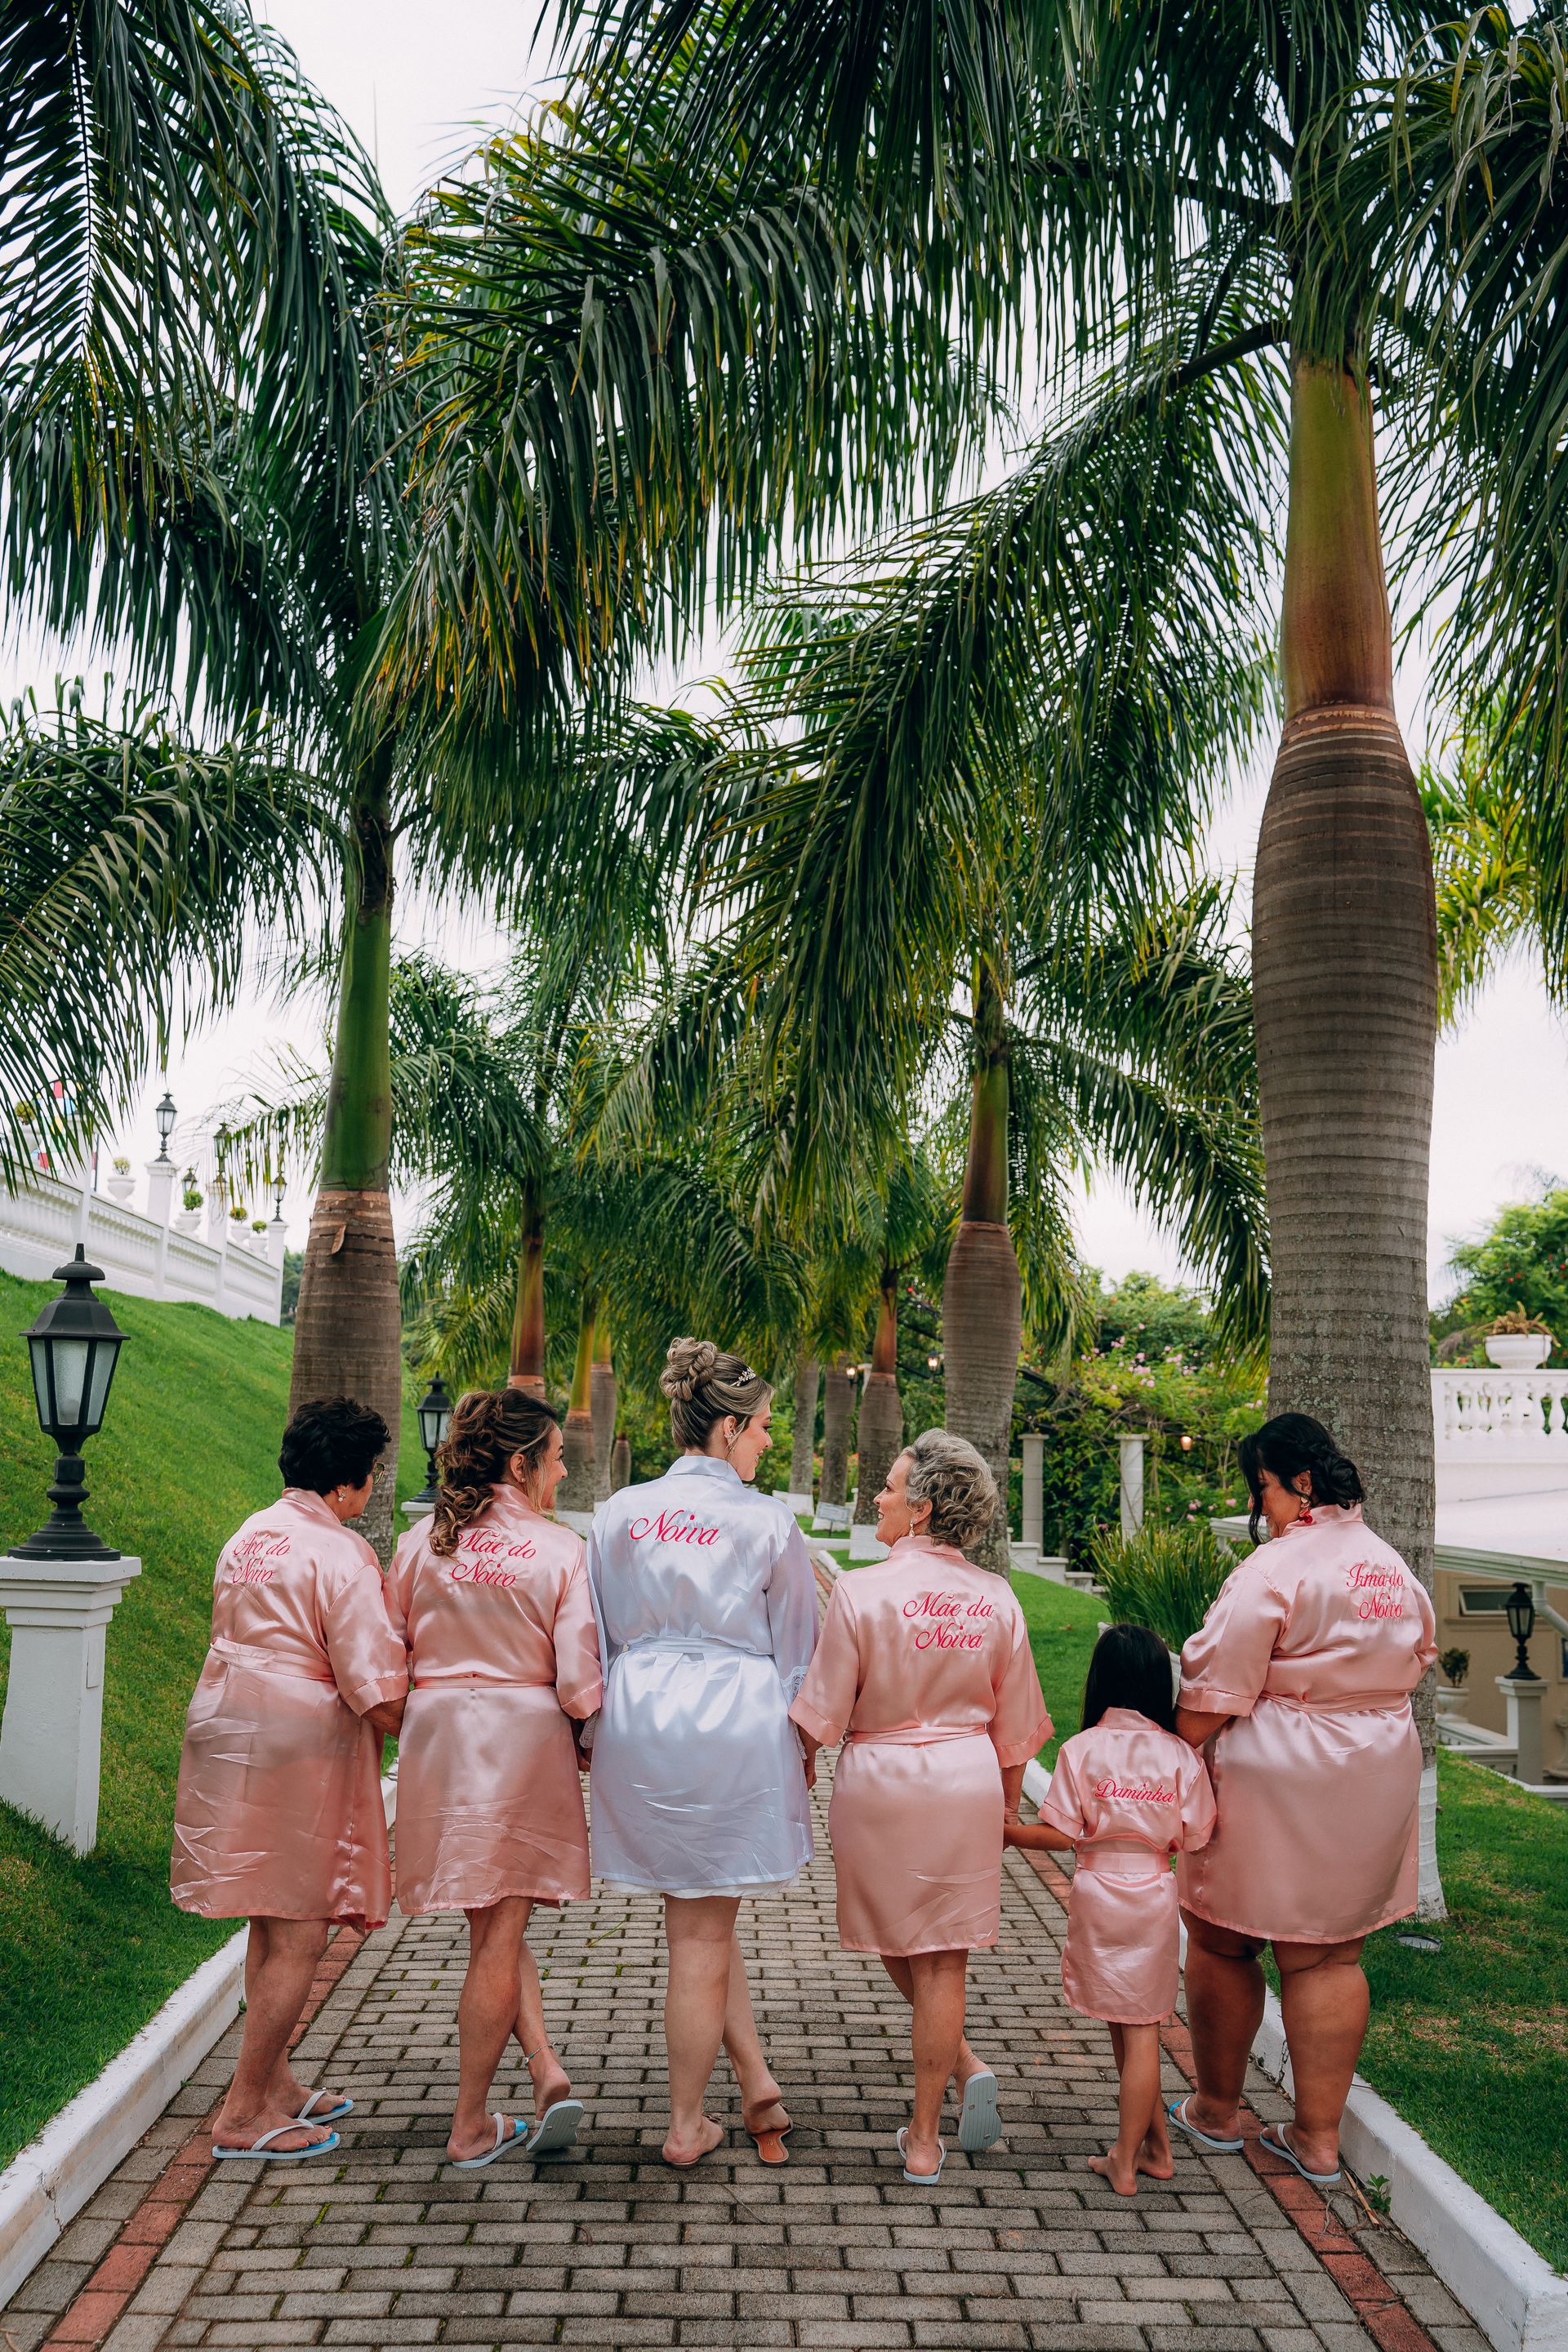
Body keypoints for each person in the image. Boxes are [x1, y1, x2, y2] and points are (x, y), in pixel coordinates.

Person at [1169, 1412, 1437, 2187]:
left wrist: (1173, 1743)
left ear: (1302, 1482)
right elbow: (1419, 1651)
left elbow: (1218, 1685)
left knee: (1223, 1935)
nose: (1266, 1505)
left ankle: (1218, 2110)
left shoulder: (1274, 1570)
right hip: (1377, 1763)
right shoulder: (1390, 1564)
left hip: (1283, 1766)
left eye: (1265, 1488)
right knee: (1330, 1953)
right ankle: (1318, 2141)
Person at [790, 1432, 1051, 2185]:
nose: (878, 1496)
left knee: (905, 1941)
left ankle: (960, 2078)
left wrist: (800, 1763)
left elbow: (822, 1711)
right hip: (965, 1779)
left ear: (923, 1508)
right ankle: (928, 2139)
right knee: (944, 1958)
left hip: (881, 1781)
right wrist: (1004, 1812)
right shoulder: (997, 1598)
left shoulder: (863, 1592)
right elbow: (1017, 1725)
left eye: (892, 1487)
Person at [586, 1338, 817, 2169]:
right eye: (761, 1428)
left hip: (642, 1718)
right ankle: (687, 2123)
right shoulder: (767, 1521)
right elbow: (798, 1649)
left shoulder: (619, 1512)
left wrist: (592, 1735)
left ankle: (754, 2078)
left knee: (700, 1918)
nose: (766, 1441)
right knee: (701, 1931)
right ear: (725, 1430)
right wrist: (805, 1739)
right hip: (733, 1720)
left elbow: (599, 1633)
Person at [171, 1397, 408, 2161]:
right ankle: (243, 2112)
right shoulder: (340, 1554)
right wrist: (429, 1730)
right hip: (298, 1739)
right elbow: (371, 1680)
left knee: (268, 1917)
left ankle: (272, 2081)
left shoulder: (250, 1532)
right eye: (370, 1475)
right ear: (350, 1482)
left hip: (229, 1724)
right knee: (301, 1922)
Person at [386, 1388, 600, 2168]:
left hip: (439, 1736)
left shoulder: (419, 1545)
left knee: (493, 1930)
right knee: (501, 1934)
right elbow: (580, 1681)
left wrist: (414, 1725)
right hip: (521, 1740)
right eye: (555, 1455)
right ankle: (470, 2122)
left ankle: (545, 2070)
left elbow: (387, 1656)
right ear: (521, 1463)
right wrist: (591, 1742)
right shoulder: (561, 1551)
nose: (566, 1467)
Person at [1004, 1624, 1215, 2194]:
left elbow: (1058, 1833)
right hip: (1151, 1892)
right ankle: (1156, 2148)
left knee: (1132, 2030)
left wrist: (1010, 1834)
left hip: (1099, 1891)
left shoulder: (1082, 1751)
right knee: (1139, 2022)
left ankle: (1124, 2160)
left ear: (1100, 1679)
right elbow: (1197, 1834)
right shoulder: (1180, 1756)